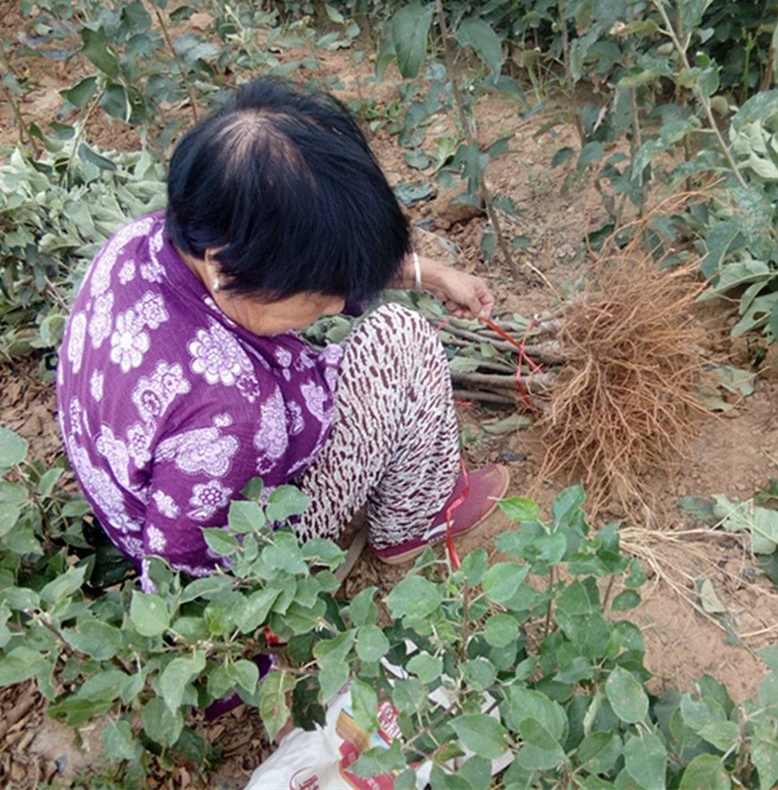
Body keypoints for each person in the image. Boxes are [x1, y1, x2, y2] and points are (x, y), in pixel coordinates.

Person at [56, 78, 510, 585]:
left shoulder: (148, 239)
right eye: (317, 293)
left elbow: (315, 250)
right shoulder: (231, 418)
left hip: (148, 489)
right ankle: (414, 519)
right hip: (238, 541)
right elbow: (186, 587)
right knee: (400, 339)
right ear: (230, 269)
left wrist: (429, 274)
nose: (338, 304)